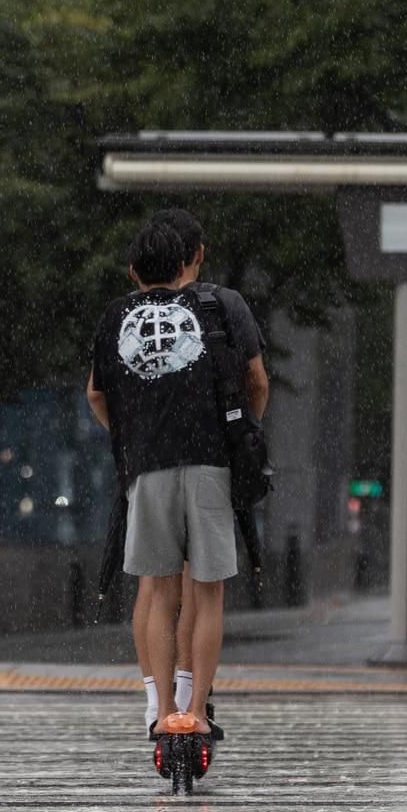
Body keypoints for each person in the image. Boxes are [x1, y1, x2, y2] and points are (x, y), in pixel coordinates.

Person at [87, 219, 267, 740]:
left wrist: (129, 436)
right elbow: (255, 381)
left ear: (133, 270)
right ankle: (200, 713)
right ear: (194, 259)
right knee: (207, 591)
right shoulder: (218, 305)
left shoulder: (116, 314)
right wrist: (245, 434)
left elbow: (97, 394)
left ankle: (163, 710)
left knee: (156, 590)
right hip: (211, 461)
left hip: (147, 466)